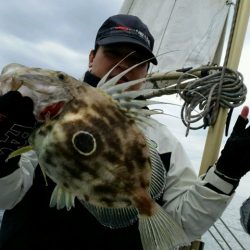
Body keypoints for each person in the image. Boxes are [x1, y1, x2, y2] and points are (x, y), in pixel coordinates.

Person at [0, 14, 250, 250]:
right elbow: (6, 197)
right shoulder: (30, 116)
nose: (123, 65)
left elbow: (182, 224)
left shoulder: (163, 141)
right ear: (91, 57)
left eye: (136, 61)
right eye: (113, 54)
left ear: (146, 72)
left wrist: (226, 173)